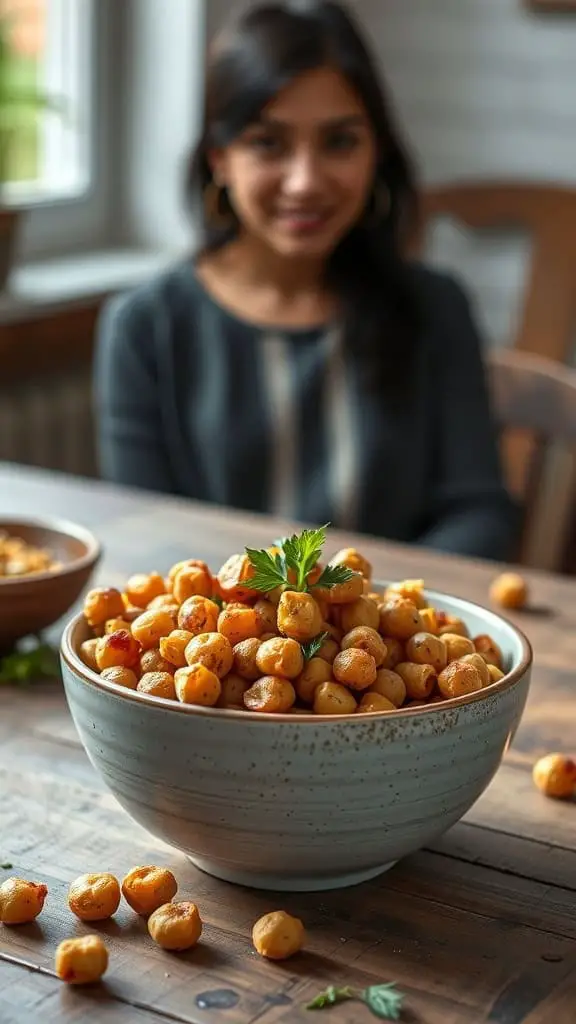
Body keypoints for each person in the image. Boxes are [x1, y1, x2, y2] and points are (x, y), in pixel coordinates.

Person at [95, 0, 517, 561]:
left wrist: (361, 610)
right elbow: (149, 537)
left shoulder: (434, 306)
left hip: (392, 636)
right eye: (268, 143)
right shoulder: (145, 327)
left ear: (377, 152)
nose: (305, 182)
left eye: (339, 141)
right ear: (220, 157)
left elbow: (478, 513)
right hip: (218, 643)